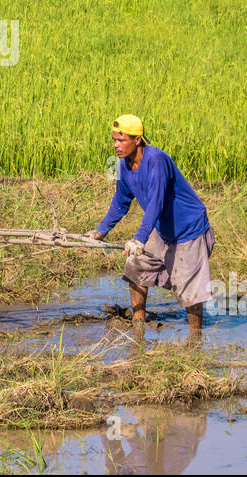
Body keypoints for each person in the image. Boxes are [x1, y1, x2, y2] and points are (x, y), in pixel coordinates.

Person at [87, 114, 214, 331]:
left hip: (188, 229)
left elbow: (156, 201)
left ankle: (195, 337)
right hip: (162, 228)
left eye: (121, 140)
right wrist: (101, 231)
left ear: (137, 140)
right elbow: (121, 201)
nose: (116, 145)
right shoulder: (123, 165)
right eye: (114, 140)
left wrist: (139, 238)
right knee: (135, 265)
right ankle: (139, 322)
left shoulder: (157, 160)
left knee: (189, 287)